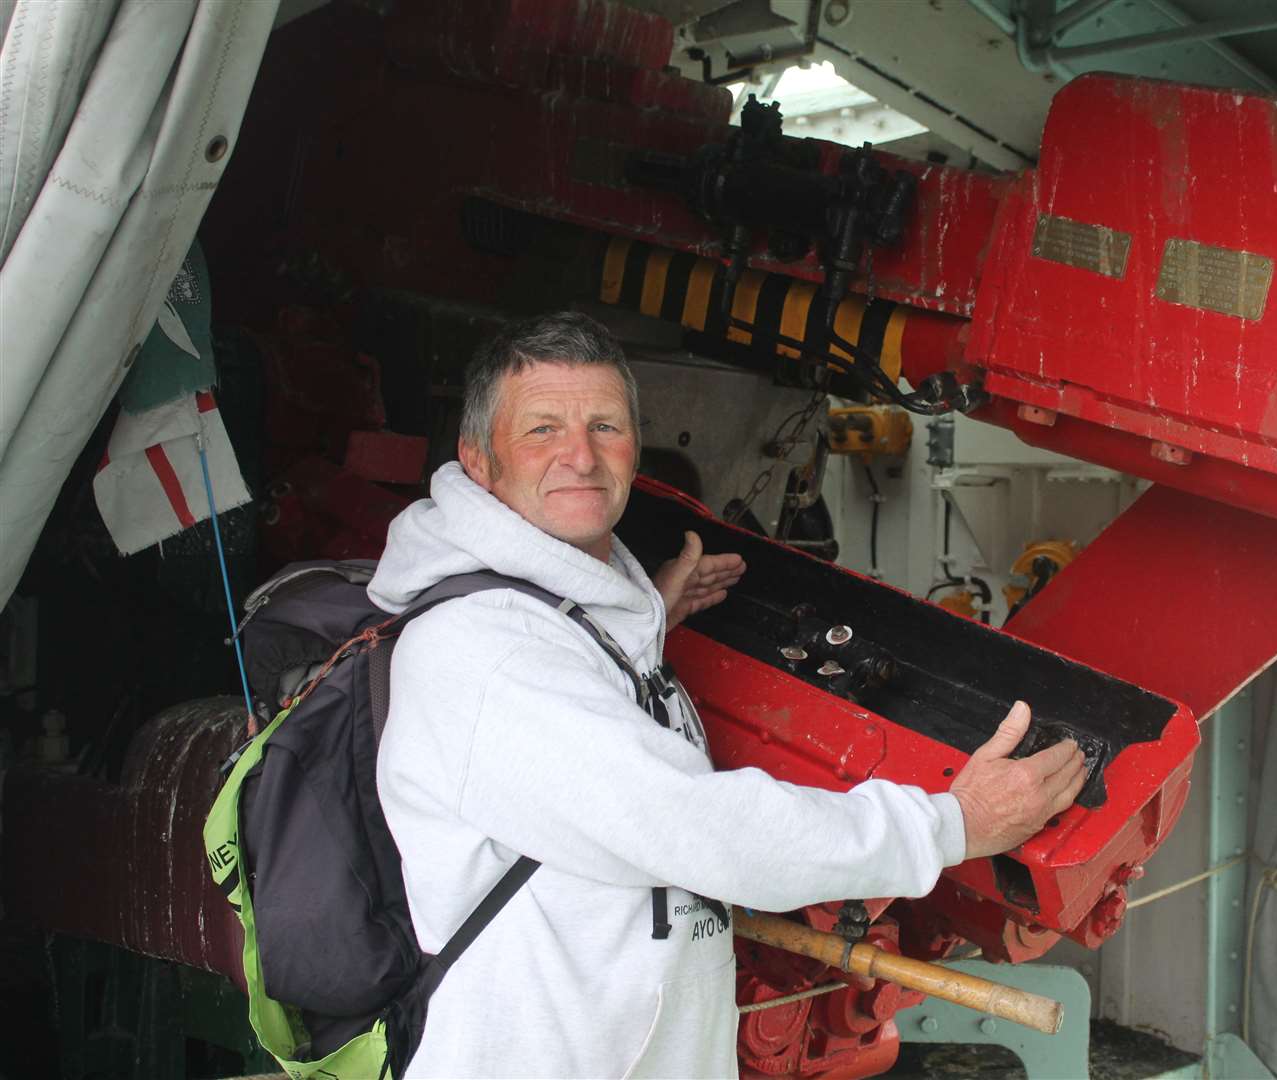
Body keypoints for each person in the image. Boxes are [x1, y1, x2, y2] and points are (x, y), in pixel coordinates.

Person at [371, 311, 1088, 1079]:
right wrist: (950, 826)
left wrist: (639, 622)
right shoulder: (487, 651)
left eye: (605, 426)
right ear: (479, 461)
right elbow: (701, 829)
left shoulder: (572, 622)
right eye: (542, 429)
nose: (579, 455)